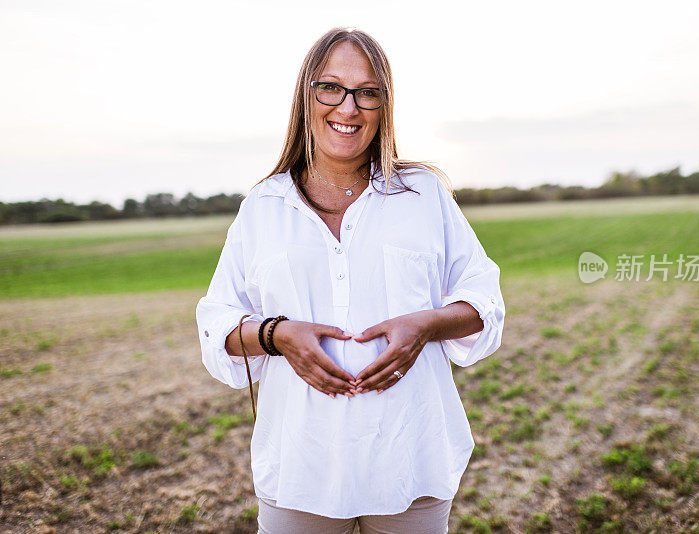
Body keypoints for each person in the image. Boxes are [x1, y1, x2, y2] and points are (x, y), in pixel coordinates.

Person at [195, 26, 505, 534]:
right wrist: (278, 335)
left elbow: (483, 302)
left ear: (384, 106)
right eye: (331, 87)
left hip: (410, 458)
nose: (348, 107)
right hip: (301, 466)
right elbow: (218, 324)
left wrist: (425, 325)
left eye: (367, 92)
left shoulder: (423, 195)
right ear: (306, 96)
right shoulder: (263, 207)